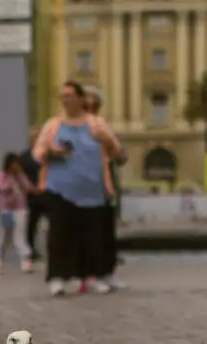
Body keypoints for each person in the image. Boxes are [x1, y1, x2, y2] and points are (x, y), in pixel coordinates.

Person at [33, 80, 123, 296]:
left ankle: (93, 276)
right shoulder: (53, 125)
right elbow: (37, 153)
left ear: (81, 99)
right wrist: (51, 153)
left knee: (93, 238)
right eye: (62, 96)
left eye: (70, 96)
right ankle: (56, 278)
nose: (66, 100)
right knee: (59, 236)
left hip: (93, 192)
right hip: (60, 190)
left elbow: (119, 154)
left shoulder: (97, 124)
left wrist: (107, 142)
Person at [83, 84, 127, 290]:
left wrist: (111, 146)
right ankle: (90, 274)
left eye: (95, 102)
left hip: (107, 190)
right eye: (87, 101)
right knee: (89, 233)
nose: (92, 105)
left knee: (107, 233)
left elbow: (121, 157)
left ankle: (107, 273)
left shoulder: (105, 128)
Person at [0, 153, 35, 274]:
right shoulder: (2, 174)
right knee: (3, 237)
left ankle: (26, 261)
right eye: (14, 163)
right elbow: (1, 187)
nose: (16, 166)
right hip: (5, 209)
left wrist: (20, 178)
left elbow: (28, 187)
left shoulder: (21, 175)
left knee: (19, 236)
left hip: (20, 209)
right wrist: (11, 182)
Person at [18, 128, 46, 261]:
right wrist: (29, 188)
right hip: (30, 197)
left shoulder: (46, 156)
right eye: (36, 138)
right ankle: (29, 251)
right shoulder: (24, 157)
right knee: (31, 225)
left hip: (46, 195)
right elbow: (19, 176)